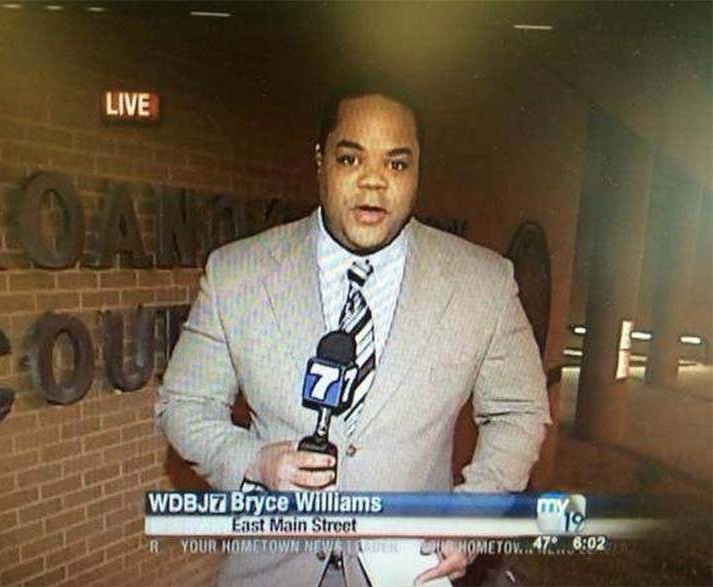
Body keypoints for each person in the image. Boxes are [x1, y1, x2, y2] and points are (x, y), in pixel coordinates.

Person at [155, 79, 551, 587]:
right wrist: (253, 462)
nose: (373, 182)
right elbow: (182, 405)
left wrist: (471, 515)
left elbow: (520, 412)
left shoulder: (484, 283)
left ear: (418, 170)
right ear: (320, 161)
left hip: (410, 572)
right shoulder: (236, 273)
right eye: (350, 159)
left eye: (397, 164)